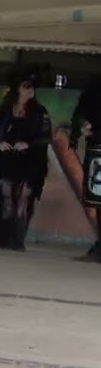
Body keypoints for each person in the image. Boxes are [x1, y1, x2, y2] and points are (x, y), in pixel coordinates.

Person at [0, 70, 52, 251]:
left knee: (24, 199)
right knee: (6, 197)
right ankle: (4, 238)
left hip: (30, 160)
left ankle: (18, 240)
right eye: (26, 87)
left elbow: (46, 136)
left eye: (31, 88)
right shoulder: (5, 109)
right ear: (17, 89)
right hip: (6, 159)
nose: (30, 91)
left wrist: (28, 144)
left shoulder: (40, 111)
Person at [70, 74, 101, 261]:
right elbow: (81, 111)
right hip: (97, 148)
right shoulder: (96, 85)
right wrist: (82, 125)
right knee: (98, 200)